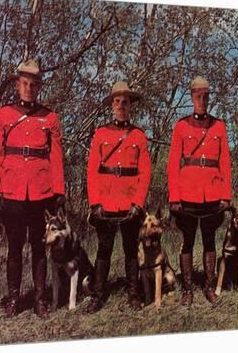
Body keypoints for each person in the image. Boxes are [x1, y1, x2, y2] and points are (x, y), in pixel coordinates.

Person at [0, 59, 65, 318]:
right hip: (12, 190)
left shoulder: (50, 117)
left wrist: (59, 190)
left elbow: (55, 156)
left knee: (38, 246)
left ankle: (40, 299)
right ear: (18, 85)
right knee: (14, 247)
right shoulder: (4, 114)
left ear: (39, 87)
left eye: (33, 84)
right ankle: (13, 299)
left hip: (41, 191)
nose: (29, 88)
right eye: (24, 83)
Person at [86, 81, 151, 313]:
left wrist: (138, 203)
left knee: (131, 249)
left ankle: (134, 294)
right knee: (104, 249)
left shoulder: (139, 135)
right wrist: (95, 203)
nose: (121, 105)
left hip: (129, 200)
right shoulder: (101, 133)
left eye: (125, 101)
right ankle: (98, 295)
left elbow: (145, 172)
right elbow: (92, 171)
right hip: (106, 200)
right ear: (111, 105)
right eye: (117, 101)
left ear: (131, 105)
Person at [167, 76, 232, 306]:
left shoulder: (219, 126)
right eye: (198, 96)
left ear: (209, 98)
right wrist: (174, 197)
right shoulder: (181, 126)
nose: (202, 100)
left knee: (209, 241)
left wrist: (226, 195)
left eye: (206, 96)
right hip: (187, 193)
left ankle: (209, 286)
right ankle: (187, 288)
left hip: (212, 193)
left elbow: (225, 161)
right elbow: (174, 163)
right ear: (192, 97)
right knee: (187, 241)